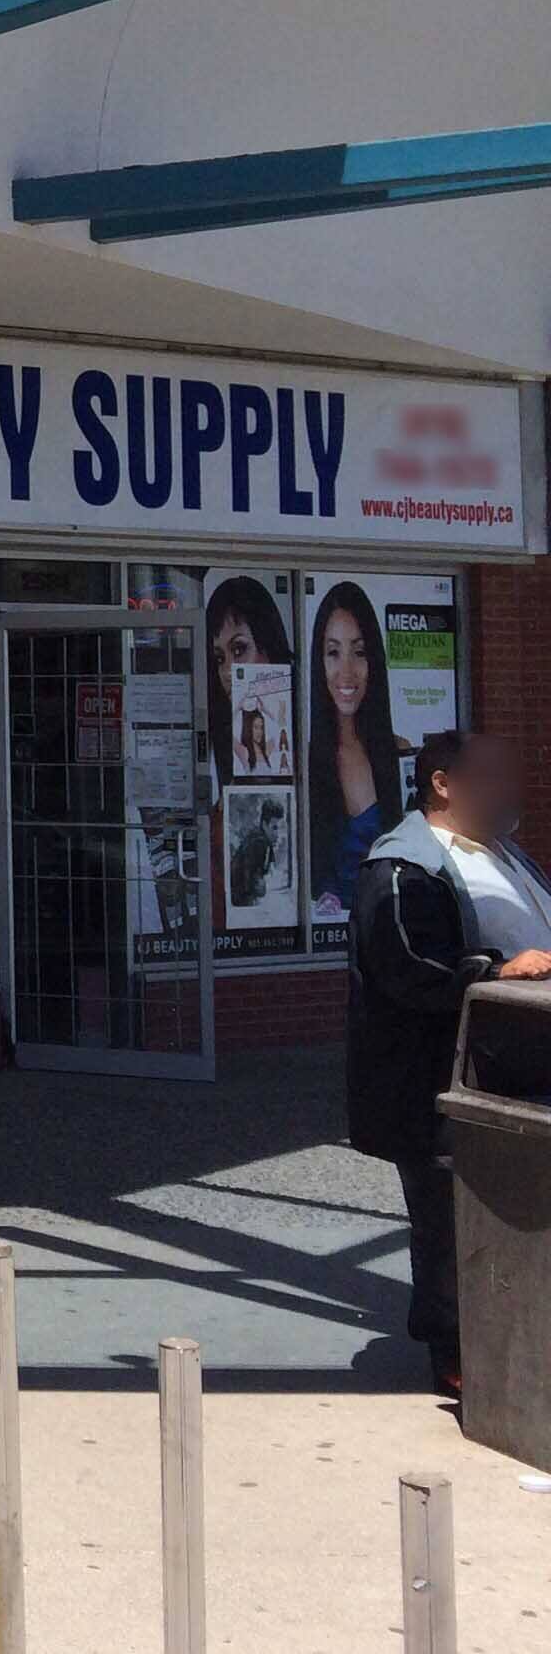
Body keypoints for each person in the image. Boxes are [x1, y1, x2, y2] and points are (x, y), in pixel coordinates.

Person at [347, 730, 551, 1402]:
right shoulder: (402, 868)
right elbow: (408, 967)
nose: (507, 789)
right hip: (440, 1083)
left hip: (519, 1074)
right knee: (449, 1219)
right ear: (444, 784)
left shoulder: (507, 857)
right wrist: (495, 972)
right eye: (489, 776)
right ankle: (457, 1351)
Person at [307, 580, 408, 918]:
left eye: (359, 652)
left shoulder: (397, 754)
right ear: (318, 663)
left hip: (389, 924)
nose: (346, 671)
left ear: (374, 661)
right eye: (333, 652)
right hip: (326, 933)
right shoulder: (304, 761)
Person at [204, 574, 293, 787]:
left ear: (268, 647)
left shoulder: (303, 722)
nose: (227, 671)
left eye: (239, 650)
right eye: (219, 658)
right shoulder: (218, 736)